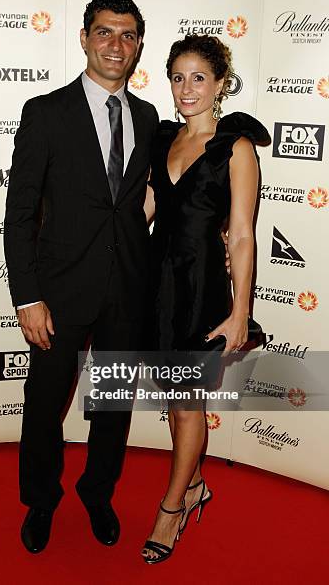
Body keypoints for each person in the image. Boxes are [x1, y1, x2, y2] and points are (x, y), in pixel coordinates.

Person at [4, 0, 158, 553]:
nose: (115, 45)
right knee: (44, 406)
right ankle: (41, 500)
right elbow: (20, 212)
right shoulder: (45, 112)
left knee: (112, 407)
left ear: (138, 45)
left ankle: (98, 493)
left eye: (127, 35)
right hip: (59, 292)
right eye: (104, 32)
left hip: (126, 292)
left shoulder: (146, 116)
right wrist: (27, 297)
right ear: (85, 38)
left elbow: (144, 197)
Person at [141, 34, 270, 564]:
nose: (187, 88)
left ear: (220, 84)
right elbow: (147, 207)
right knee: (174, 404)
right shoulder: (163, 138)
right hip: (155, 284)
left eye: (199, 77)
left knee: (188, 404)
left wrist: (241, 310)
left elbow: (241, 233)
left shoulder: (235, 149)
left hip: (201, 290)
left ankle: (171, 509)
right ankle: (194, 485)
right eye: (178, 77)